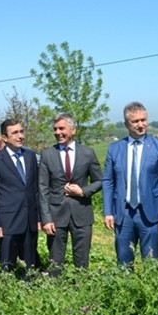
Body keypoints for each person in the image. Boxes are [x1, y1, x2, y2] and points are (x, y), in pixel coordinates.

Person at [103, 102, 158, 266]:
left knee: (151, 263)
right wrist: (108, 211)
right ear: (126, 124)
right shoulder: (115, 148)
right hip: (123, 213)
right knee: (123, 262)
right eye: (136, 121)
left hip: (150, 213)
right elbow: (108, 181)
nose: (141, 125)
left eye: (144, 120)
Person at [38, 113, 102, 276]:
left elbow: (100, 181)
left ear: (73, 130)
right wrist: (46, 219)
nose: (57, 132)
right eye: (55, 129)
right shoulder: (47, 155)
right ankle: (56, 291)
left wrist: (83, 191)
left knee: (82, 260)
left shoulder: (87, 153)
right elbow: (42, 188)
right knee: (55, 260)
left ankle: (81, 291)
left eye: (61, 128)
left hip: (81, 213)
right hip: (56, 215)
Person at [0, 119, 40, 273]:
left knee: (30, 265)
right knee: (7, 265)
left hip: (29, 220)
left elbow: (35, 190)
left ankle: (29, 289)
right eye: (15, 133)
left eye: (21, 131)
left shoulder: (30, 156)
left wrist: (39, 218)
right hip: (7, 221)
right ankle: (5, 290)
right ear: (5, 137)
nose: (20, 136)